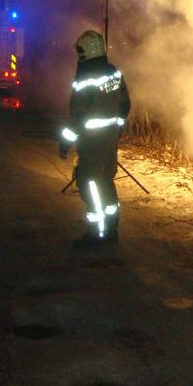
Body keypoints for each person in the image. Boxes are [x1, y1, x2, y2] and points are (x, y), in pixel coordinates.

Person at [59, 30, 130, 246]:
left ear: (86, 52)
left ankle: (97, 234)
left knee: (89, 184)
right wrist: (116, 129)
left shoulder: (85, 79)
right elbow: (125, 105)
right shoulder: (114, 73)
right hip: (109, 142)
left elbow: (78, 116)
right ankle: (111, 230)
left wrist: (65, 143)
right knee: (106, 182)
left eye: (80, 52)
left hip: (91, 142)